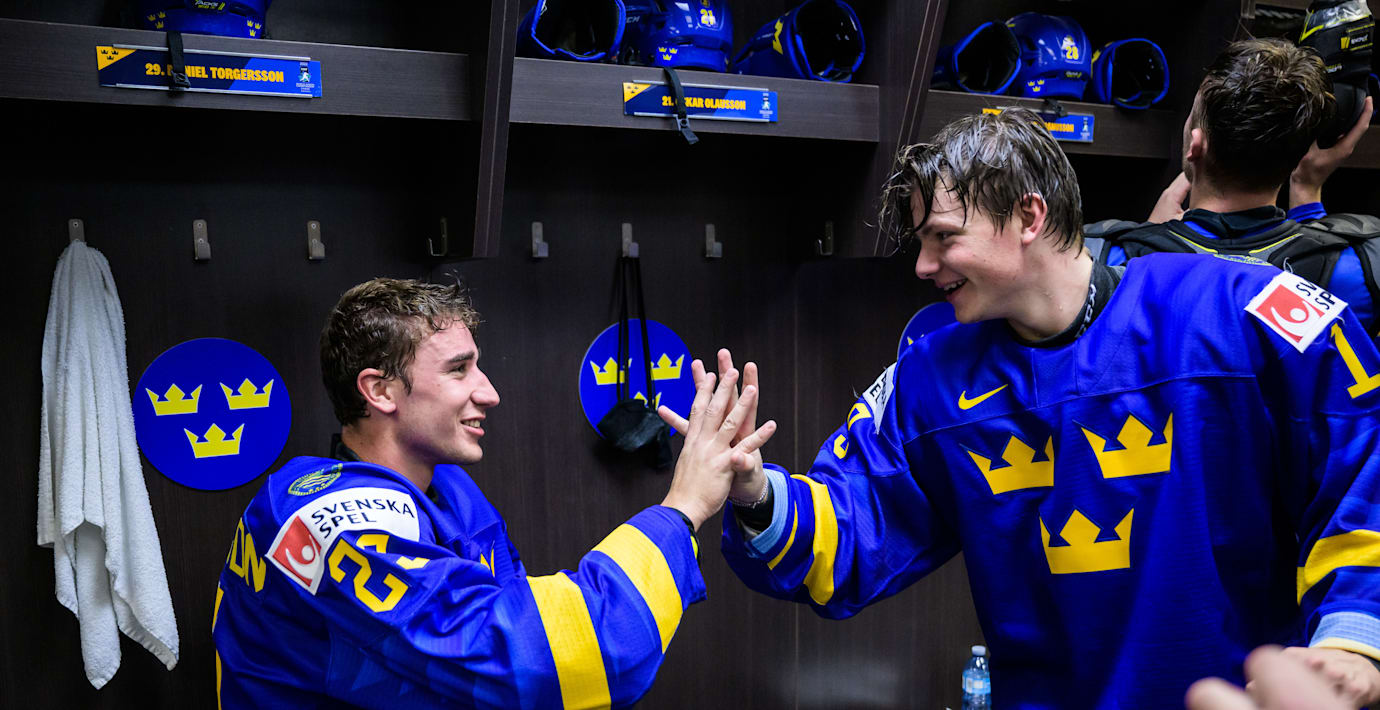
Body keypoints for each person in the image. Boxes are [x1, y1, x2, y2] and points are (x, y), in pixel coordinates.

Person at [665, 109, 1380, 708]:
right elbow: (852, 528)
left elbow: (1361, 463)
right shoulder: (931, 376)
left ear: (1029, 216)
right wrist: (755, 492)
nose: (923, 266)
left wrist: (1353, 641)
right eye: (921, 241)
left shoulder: (1239, 315)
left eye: (944, 236)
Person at [212, 277, 775, 708]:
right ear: (380, 391)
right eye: (459, 370)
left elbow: (517, 634)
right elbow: (543, 660)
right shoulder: (325, 517)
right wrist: (682, 509)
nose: (489, 392)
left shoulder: (447, 487)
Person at [1084, 38, 1380, 335]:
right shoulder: (1360, 268)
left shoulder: (1105, 259)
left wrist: (1149, 239)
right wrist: (1306, 192)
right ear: (1298, 153)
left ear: (1196, 145)